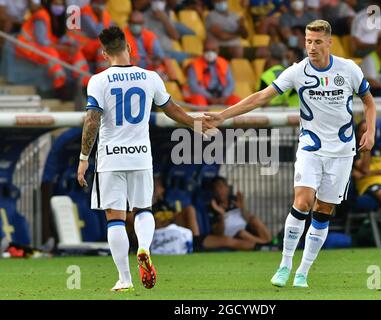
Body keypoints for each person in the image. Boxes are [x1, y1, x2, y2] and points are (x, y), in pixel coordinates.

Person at [204, 20, 377, 288]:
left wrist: (371, 131)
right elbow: (261, 97)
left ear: (329, 42)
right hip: (311, 145)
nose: (312, 46)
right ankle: (284, 264)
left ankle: (303, 272)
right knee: (303, 200)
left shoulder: (348, 69)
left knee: (323, 210)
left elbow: (368, 101)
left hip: (342, 150)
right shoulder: (297, 72)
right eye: (308, 41)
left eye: (318, 41)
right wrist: (223, 116)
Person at [76, 26, 209, 292]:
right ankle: (145, 248)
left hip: (110, 158)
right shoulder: (150, 77)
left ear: (104, 53)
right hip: (140, 156)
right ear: (130, 47)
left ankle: (124, 278)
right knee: (143, 209)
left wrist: (83, 157)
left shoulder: (98, 81)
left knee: (115, 217)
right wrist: (195, 122)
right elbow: (171, 109)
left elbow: (92, 120)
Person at [209, 176, 272, 245]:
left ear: (227, 188)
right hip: (232, 236)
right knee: (242, 233)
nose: (219, 191)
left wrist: (242, 208)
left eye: (221, 187)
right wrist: (221, 215)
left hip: (246, 229)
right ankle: (266, 245)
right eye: (215, 188)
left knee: (254, 220)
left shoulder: (234, 200)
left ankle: (268, 242)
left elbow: (248, 219)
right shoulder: (213, 207)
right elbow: (219, 233)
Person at [184, 38, 241, 107]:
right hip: (203, 96)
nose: (210, 53)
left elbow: (230, 83)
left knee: (236, 101)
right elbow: (193, 86)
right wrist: (210, 98)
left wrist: (224, 96)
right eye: (207, 50)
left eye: (213, 50)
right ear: (203, 50)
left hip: (221, 96)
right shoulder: (194, 65)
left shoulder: (224, 63)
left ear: (218, 50)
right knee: (199, 100)